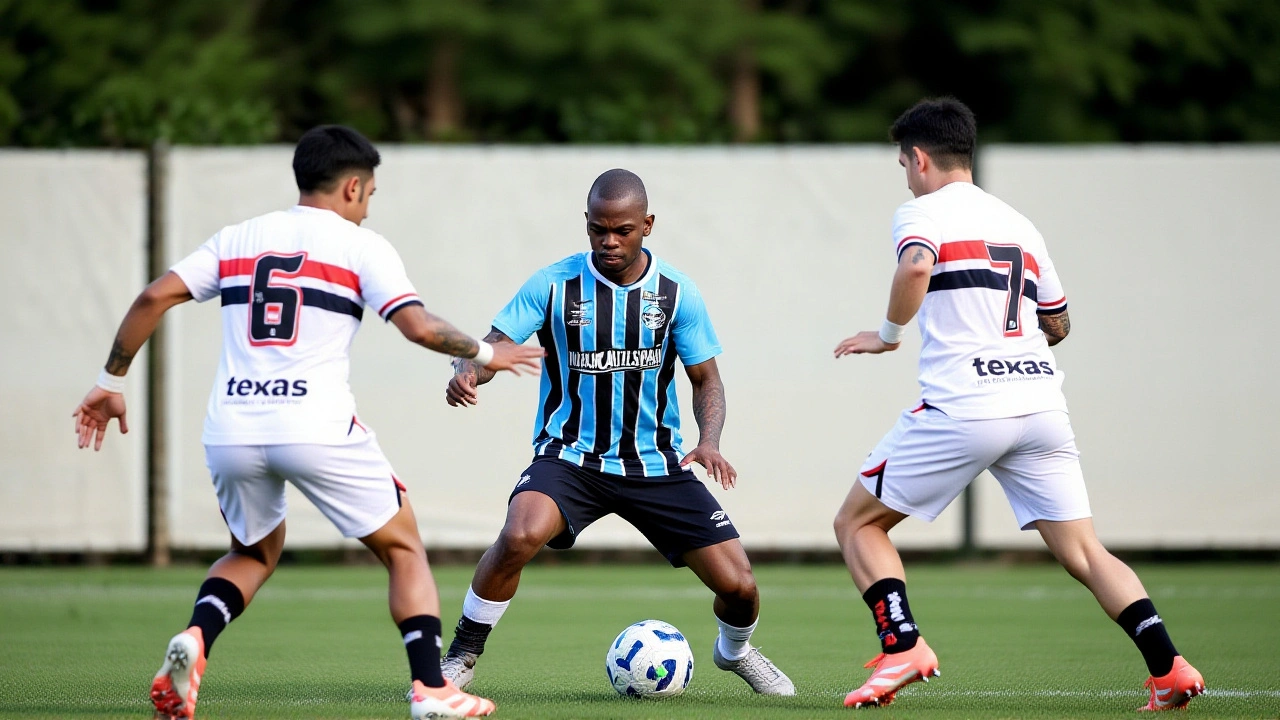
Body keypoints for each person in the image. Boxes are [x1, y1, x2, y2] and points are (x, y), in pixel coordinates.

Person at [71, 125, 543, 720]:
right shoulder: (359, 245)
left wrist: (110, 383)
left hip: (232, 428)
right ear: (352, 187)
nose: (369, 206)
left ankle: (195, 639)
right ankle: (432, 689)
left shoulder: (237, 238)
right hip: (314, 424)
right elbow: (418, 326)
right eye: (369, 193)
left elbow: (151, 298)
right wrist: (485, 353)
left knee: (253, 551)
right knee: (403, 547)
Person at [831, 98, 1205, 711]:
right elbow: (1057, 323)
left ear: (919, 159)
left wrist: (888, 335)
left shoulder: (920, 212)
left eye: (904, 162)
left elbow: (917, 266)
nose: (905, 174)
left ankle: (903, 647)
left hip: (967, 407)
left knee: (858, 523)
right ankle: (1170, 667)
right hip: (1040, 405)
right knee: (1086, 552)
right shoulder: (1020, 223)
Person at [438, 169, 794, 696]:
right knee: (518, 534)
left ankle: (735, 652)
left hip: (655, 463)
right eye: (598, 229)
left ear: (647, 225)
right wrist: (468, 371)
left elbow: (706, 380)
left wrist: (710, 440)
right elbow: (496, 345)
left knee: (740, 587)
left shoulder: (677, 293)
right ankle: (463, 655)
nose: (609, 240)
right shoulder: (554, 284)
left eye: (622, 230)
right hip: (571, 457)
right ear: (586, 224)